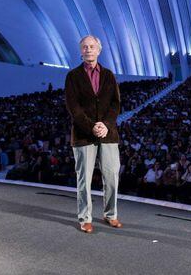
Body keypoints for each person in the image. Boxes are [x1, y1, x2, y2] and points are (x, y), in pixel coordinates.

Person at [65, 35, 122, 233]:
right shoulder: (73, 76)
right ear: (81, 51)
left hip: (108, 134)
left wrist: (105, 125)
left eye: (92, 46)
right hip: (83, 135)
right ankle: (85, 218)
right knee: (84, 180)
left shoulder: (109, 75)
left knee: (112, 176)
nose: (88, 49)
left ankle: (111, 215)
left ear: (99, 50)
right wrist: (92, 127)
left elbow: (116, 104)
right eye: (84, 47)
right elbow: (74, 107)